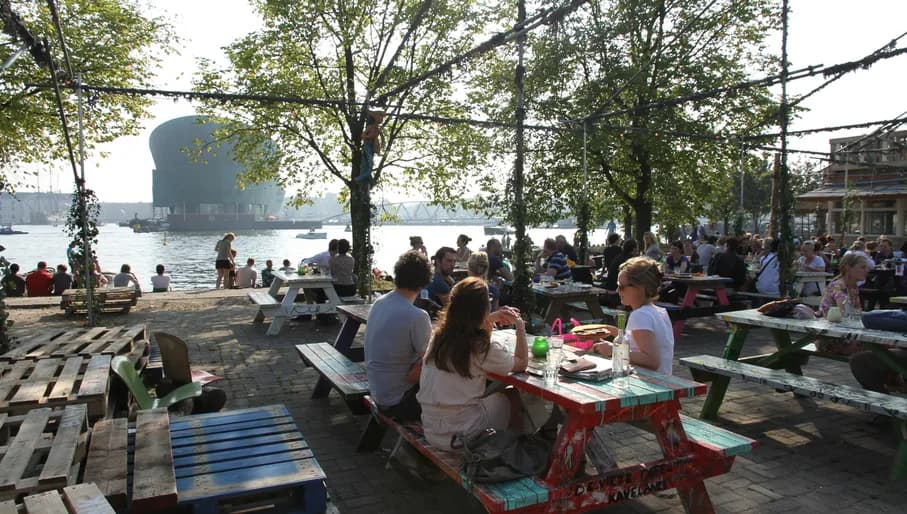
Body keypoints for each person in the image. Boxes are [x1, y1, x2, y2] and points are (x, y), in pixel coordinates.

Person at [418, 277, 528, 450]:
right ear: (484, 308)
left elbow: (466, 326)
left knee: (489, 393)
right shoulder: (481, 346)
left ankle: (508, 444)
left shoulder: (438, 336)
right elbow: (521, 364)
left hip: (432, 429)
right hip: (460, 436)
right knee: (512, 395)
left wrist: (490, 319)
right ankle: (514, 450)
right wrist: (520, 326)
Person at [364, 250, 434, 422]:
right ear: (424, 282)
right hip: (399, 401)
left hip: (378, 391)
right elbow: (432, 360)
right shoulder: (417, 316)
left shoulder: (379, 303)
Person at [592, 257, 674, 375]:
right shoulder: (658, 311)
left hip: (651, 385)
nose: (617, 290)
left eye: (621, 287)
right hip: (664, 381)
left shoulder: (640, 315)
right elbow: (642, 344)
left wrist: (613, 350)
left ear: (640, 288)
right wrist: (617, 333)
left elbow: (652, 360)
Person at [817, 254, 870, 356]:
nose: (867, 270)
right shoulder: (838, 286)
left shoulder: (853, 287)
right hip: (831, 338)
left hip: (844, 334)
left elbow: (856, 314)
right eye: (863, 267)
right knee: (877, 349)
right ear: (848, 268)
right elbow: (846, 313)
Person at [355, 109, 385, 184]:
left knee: (369, 163)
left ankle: (367, 176)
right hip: (367, 145)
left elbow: (382, 137)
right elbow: (363, 135)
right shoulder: (370, 127)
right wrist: (370, 136)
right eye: (380, 116)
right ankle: (360, 178)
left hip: (373, 146)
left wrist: (381, 145)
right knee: (369, 163)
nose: (381, 119)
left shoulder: (378, 128)